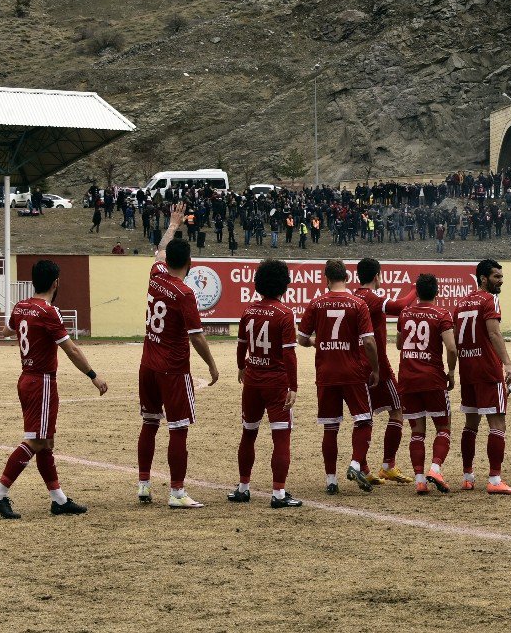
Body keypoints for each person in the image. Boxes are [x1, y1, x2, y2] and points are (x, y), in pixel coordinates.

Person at [0, 260, 109, 519]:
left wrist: (22, 321)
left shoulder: (22, 306)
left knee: (46, 441)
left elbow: (7, 331)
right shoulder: (48, 311)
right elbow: (71, 350)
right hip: (41, 381)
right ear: (55, 282)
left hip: (27, 378)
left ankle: (58, 499)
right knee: (35, 440)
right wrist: (94, 377)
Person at [136, 202, 220, 509]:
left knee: (149, 423)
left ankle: (143, 485)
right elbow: (196, 336)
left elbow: (159, 251)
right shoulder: (184, 294)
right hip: (172, 368)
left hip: (147, 363)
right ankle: (177, 491)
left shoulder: (155, 274)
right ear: (190, 263)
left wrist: (172, 225)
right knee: (178, 427)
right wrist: (212, 366)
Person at [297, 259, 380, 494]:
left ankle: (331, 480)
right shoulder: (357, 303)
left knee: (330, 427)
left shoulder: (316, 303)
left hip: (326, 372)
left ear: (326, 279)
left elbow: (301, 338)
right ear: (347, 277)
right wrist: (375, 369)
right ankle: (355, 463)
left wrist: (317, 342)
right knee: (364, 420)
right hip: (352, 371)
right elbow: (369, 342)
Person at [228, 259, 301, 508]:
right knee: (281, 437)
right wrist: (294, 385)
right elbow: (290, 354)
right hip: (276, 382)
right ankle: (278, 494)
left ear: (258, 284)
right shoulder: (285, 314)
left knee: (248, 433)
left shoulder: (248, 311)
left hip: (252, 380)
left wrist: (241, 366)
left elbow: (241, 346)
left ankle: (243, 487)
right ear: (284, 285)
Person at [455, 259, 511, 494]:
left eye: (501, 277)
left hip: (468, 369)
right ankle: (494, 480)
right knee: (497, 423)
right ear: (483, 278)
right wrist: (508, 364)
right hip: (487, 369)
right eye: (496, 277)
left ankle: (467, 476)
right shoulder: (490, 299)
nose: (500, 281)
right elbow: (494, 333)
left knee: (470, 424)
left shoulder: (461, 303)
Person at [353, 258, 417, 484]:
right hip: (376, 364)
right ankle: (388, 465)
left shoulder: (354, 297)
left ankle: (364, 468)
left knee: (363, 416)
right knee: (398, 409)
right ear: (377, 275)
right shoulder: (370, 298)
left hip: (355, 365)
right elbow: (400, 306)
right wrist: (414, 289)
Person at [396, 274, 458, 494]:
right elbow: (451, 348)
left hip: (407, 379)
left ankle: (420, 480)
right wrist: (450, 372)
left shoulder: (404, 313)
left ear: (417, 292)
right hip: (432, 378)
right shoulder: (442, 314)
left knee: (417, 432)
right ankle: (435, 468)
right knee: (443, 426)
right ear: (437, 291)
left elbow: (398, 344)